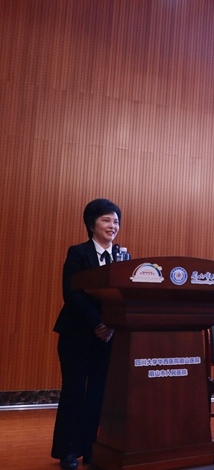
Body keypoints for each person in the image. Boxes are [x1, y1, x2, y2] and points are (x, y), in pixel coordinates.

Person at [51, 199, 121, 469]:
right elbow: (72, 294)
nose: (112, 226)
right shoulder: (78, 253)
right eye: (106, 220)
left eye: (116, 221)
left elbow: (124, 296)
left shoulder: (122, 258)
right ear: (92, 225)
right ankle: (68, 451)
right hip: (77, 334)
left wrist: (111, 324)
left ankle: (91, 448)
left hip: (108, 336)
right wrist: (97, 323)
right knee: (74, 391)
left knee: (98, 393)